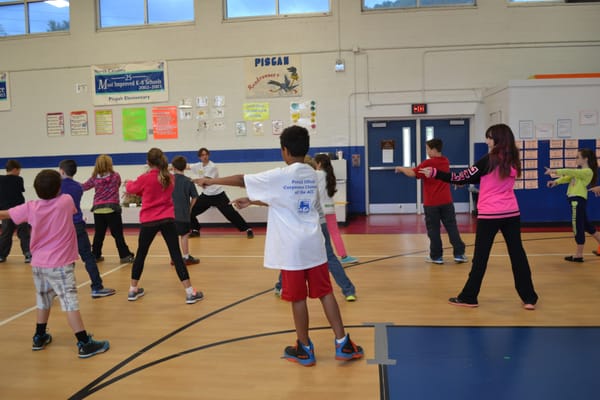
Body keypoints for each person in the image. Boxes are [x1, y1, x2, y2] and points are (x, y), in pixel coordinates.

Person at [195, 125, 363, 366]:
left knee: (298, 299)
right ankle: (343, 343)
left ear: (284, 150)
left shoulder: (280, 175)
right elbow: (288, 200)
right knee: (326, 293)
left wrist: (210, 180)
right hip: (314, 242)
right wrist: (253, 201)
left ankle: (304, 348)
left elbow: (242, 179)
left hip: (292, 249)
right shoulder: (312, 174)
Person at [420, 123, 538, 310]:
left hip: (490, 214)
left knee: (481, 257)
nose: (487, 141)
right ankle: (529, 297)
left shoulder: (488, 160)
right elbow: (486, 177)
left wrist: (435, 173)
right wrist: (471, 181)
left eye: (489, 137)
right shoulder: (512, 159)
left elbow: (461, 177)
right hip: (511, 213)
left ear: (497, 139)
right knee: (518, 255)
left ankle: (469, 296)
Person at [0, 169, 109, 358]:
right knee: (69, 301)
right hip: (59, 264)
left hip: (39, 263)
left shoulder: (31, 206)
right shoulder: (65, 201)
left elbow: (6, 214)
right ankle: (84, 343)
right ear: (58, 188)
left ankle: (39, 336)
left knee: (43, 299)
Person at [125, 148, 204, 304]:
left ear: (148, 162)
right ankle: (190, 292)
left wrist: (128, 183)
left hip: (148, 220)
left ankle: (133, 290)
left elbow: (131, 189)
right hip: (167, 219)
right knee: (176, 255)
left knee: (141, 254)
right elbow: (159, 191)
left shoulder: (144, 178)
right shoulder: (169, 178)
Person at [274, 155, 357, 302]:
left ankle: (280, 286)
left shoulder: (303, 179)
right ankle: (348, 290)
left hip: (308, 222)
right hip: (321, 218)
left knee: (292, 256)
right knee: (329, 257)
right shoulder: (320, 175)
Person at [395, 138, 467, 265]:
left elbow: (412, 173)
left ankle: (436, 256)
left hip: (432, 204)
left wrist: (400, 168)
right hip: (447, 202)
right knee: (452, 227)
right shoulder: (445, 161)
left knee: (433, 230)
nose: (427, 151)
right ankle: (459, 254)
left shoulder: (427, 163)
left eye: (428, 149)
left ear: (434, 149)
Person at [59, 159, 116, 298]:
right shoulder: (77, 187)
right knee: (88, 257)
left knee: (62, 258)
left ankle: (59, 288)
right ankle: (97, 287)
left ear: (62, 171)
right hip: (77, 224)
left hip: (61, 226)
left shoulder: (57, 187)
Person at [545, 148, 600, 262]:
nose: (576, 159)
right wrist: (555, 182)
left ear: (585, 159)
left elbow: (570, 172)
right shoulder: (579, 172)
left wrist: (554, 171)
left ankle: (579, 255)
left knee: (577, 226)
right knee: (587, 226)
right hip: (576, 201)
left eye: (577, 157)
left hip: (577, 201)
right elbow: (568, 177)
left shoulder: (587, 171)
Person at [188, 147, 254, 239]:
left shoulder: (212, 166)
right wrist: (172, 167)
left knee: (231, 214)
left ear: (208, 155)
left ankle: (248, 229)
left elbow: (206, 181)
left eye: (206, 154)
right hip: (206, 196)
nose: (205, 157)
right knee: (190, 211)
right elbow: (186, 166)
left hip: (218, 195)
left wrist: (193, 180)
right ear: (199, 157)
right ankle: (195, 230)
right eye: (202, 155)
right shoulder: (198, 166)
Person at [82, 154, 135, 264]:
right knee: (117, 234)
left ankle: (95, 255)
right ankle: (124, 255)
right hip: (112, 208)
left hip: (98, 209)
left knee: (99, 234)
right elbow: (118, 184)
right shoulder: (115, 176)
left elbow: (84, 187)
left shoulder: (94, 178)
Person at [313, 153, 359, 264]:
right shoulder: (330, 175)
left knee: (316, 235)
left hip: (319, 210)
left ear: (319, 164)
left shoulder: (317, 174)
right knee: (335, 233)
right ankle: (344, 256)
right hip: (330, 209)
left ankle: (317, 258)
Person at [0, 159, 31, 263]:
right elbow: (21, 190)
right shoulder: (19, 179)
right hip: (19, 210)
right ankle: (28, 254)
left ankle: (1, 255)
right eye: (18, 170)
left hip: (6, 211)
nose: (19, 172)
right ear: (14, 169)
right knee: (24, 233)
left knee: (6, 233)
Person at [171, 155, 200, 265]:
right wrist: (190, 208)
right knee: (184, 236)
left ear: (173, 167)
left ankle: (174, 258)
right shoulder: (188, 181)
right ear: (184, 167)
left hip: (170, 214)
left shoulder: (169, 180)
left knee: (172, 237)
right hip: (184, 214)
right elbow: (195, 197)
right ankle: (186, 257)